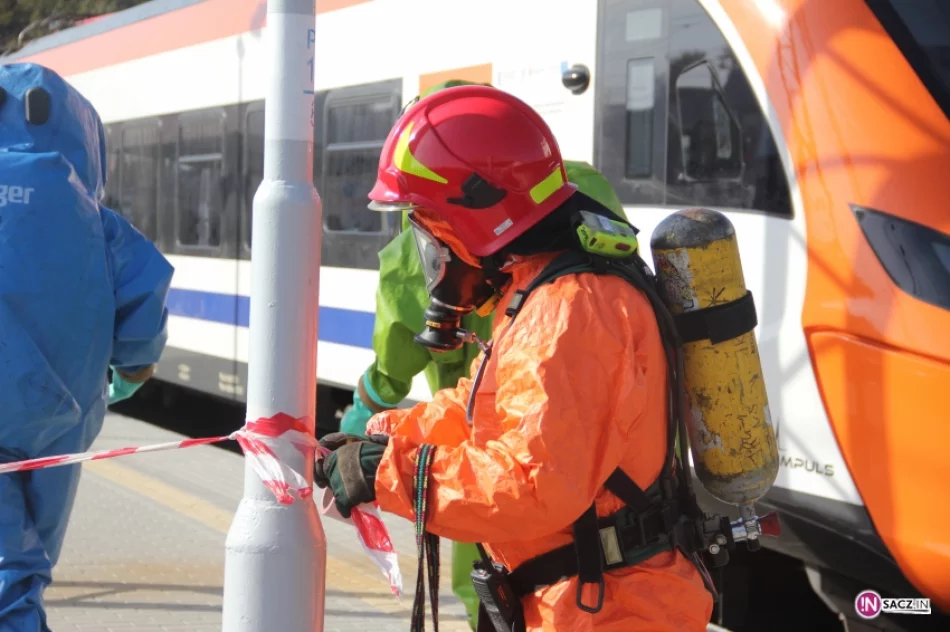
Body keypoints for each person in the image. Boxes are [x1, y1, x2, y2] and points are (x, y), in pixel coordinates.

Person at [316, 86, 714, 630]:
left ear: (474, 214)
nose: (427, 248)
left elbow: (533, 484)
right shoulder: (540, 285)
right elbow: (490, 406)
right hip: (582, 600)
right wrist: (387, 436)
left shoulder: (569, 307)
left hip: (606, 611)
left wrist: (389, 471)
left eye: (428, 224)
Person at [0, 62, 173, 630]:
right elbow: (142, 314)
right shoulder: (99, 223)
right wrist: (129, 371)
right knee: (34, 554)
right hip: (63, 420)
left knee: (10, 566)